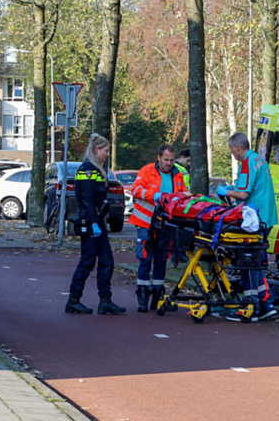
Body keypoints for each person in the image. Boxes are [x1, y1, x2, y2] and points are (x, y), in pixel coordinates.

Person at [218, 132, 278, 322]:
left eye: (231, 150)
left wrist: (225, 191)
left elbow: (243, 195)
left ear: (237, 147)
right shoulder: (259, 159)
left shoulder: (247, 163)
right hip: (265, 216)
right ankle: (265, 304)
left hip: (254, 220)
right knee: (257, 263)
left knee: (248, 263)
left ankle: (250, 305)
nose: (232, 154)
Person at [65, 133, 125, 315]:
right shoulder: (88, 170)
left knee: (106, 261)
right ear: (97, 150)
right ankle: (73, 300)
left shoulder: (95, 169)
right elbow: (88, 199)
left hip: (96, 219)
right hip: (91, 220)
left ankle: (105, 300)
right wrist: (94, 223)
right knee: (87, 261)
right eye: (106, 151)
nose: (108, 154)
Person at [130, 144, 187, 312]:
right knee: (145, 259)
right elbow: (136, 190)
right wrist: (154, 196)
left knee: (161, 259)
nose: (169, 163)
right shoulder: (147, 171)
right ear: (159, 157)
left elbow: (183, 192)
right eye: (166, 160)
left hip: (165, 223)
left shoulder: (177, 174)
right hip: (146, 221)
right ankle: (142, 298)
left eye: (171, 160)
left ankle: (156, 298)